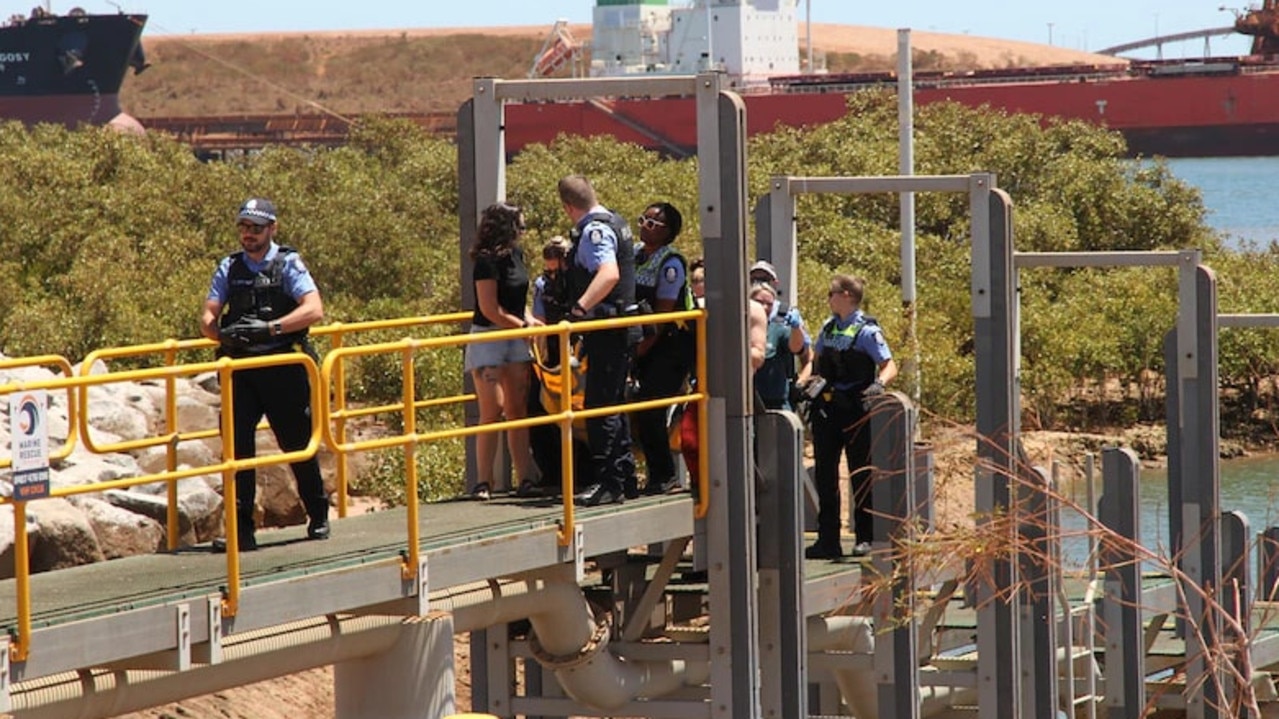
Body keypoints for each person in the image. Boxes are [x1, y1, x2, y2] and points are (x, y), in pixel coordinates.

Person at [200, 198, 329, 552]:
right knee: (237, 449)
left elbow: (313, 309)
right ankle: (242, 530)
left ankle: (318, 514)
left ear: (272, 228)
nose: (248, 235)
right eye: (243, 227)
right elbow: (208, 318)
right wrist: (222, 334)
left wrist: (270, 328)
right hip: (241, 370)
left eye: (256, 228)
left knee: (296, 443)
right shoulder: (229, 266)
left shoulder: (288, 264)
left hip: (282, 366)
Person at [804, 274, 898, 560]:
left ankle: (865, 537)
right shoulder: (829, 327)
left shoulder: (867, 332)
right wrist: (803, 386)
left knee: (861, 473)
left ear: (846, 295)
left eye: (832, 293)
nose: (828, 298)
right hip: (827, 410)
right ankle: (827, 539)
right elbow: (815, 363)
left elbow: (889, 364)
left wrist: (879, 385)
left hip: (856, 410)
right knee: (825, 475)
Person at [558, 174, 638, 507]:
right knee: (614, 403)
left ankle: (610, 484)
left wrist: (580, 307)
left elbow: (609, 273)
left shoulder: (593, 231)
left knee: (600, 405)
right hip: (621, 327)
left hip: (608, 328)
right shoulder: (616, 221)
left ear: (567, 207)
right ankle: (625, 479)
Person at [464, 202, 538, 501]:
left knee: (518, 410)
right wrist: (521, 325)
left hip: (516, 338)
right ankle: (484, 481)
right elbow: (489, 308)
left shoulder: (517, 255)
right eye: (519, 226)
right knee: (491, 411)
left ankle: (526, 478)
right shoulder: (485, 262)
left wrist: (530, 320)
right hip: (490, 337)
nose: (522, 232)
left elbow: (520, 297)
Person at [632, 201, 695, 496]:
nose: (646, 225)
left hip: (668, 346)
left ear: (668, 232)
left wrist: (641, 350)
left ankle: (665, 476)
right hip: (639, 343)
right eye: (644, 219)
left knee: (650, 408)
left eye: (654, 223)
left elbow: (663, 315)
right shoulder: (633, 256)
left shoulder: (671, 263)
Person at [525, 235, 591, 497]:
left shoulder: (580, 282)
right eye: (548, 269)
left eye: (558, 268)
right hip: (552, 355)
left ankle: (585, 474)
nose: (553, 275)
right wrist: (539, 361)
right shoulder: (543, 285)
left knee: (580, 418)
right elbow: (540, 319)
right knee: (539, 409)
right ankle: (551, 473)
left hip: (580, 354)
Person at [749, 260, 812, 410]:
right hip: (749, 399)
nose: (763, 307)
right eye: (754, 280)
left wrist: (800, 384)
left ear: (774, 282)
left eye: (764, 279)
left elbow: (803, 352)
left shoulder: (784, 319)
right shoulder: (741, 318)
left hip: (776, 401)